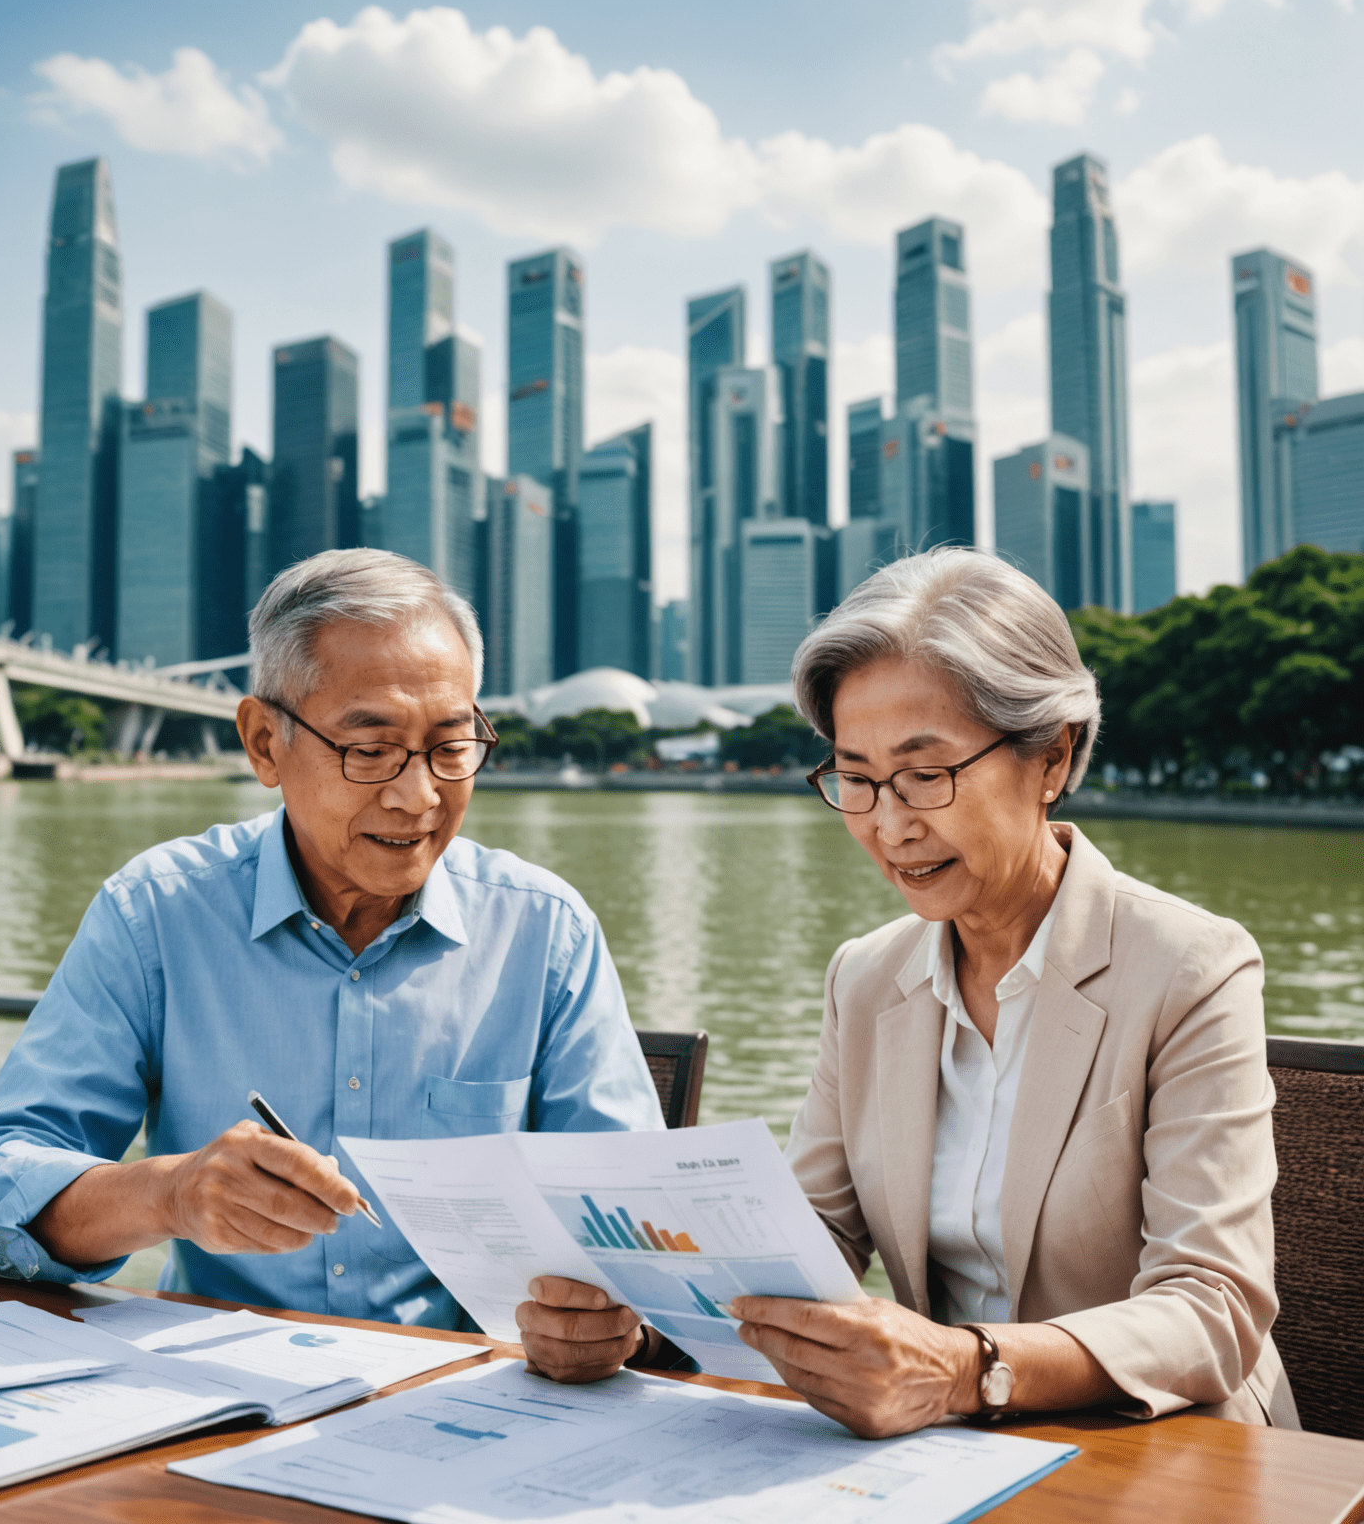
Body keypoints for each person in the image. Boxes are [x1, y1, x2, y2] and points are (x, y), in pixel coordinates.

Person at [519, 548, 1298, 1435]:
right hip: (938, 1452)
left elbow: (1213, 1306)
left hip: (1164, 1446)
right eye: (855, 777)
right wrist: (638, 1326)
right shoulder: (867, 977)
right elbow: (808, 1241)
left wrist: (968, 1370)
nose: (889, 825)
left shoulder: (1191, 968)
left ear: (1052, 756)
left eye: (928, 774)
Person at [0, 549, 662, 1326]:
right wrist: (171, 1195)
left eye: (451, 748)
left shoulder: (544, 932)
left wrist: (614, 1323)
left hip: (471, 1396)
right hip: (218, 1400)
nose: (418, 797)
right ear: (263, 744)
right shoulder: (158, 914)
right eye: (370, 749)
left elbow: (641, 1226)